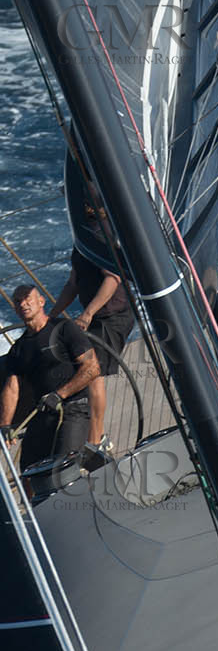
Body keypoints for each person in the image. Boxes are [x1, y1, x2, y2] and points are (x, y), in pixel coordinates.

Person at [52, 202, 136, 454]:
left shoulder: (101, 233)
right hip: (98, 316)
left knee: (92, 373)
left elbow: (113, 279)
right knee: (81, 369)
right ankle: (91, 435)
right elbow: (73, 283)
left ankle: (96, 441)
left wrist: (87, 313)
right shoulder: (83, 237)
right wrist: (51, 315)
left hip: (113, 316)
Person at [0, 283, 99, 475]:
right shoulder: (19, 349)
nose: (24, 304)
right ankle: (33, 504)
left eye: (28, 298)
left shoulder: (64, 329)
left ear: (41, 301)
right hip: (43, 413)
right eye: (18, 301)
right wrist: (5, 424)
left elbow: (92, 368)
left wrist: (59, 395)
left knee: (65, 468)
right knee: (29, 471)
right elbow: (12, 388)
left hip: (73, 409)